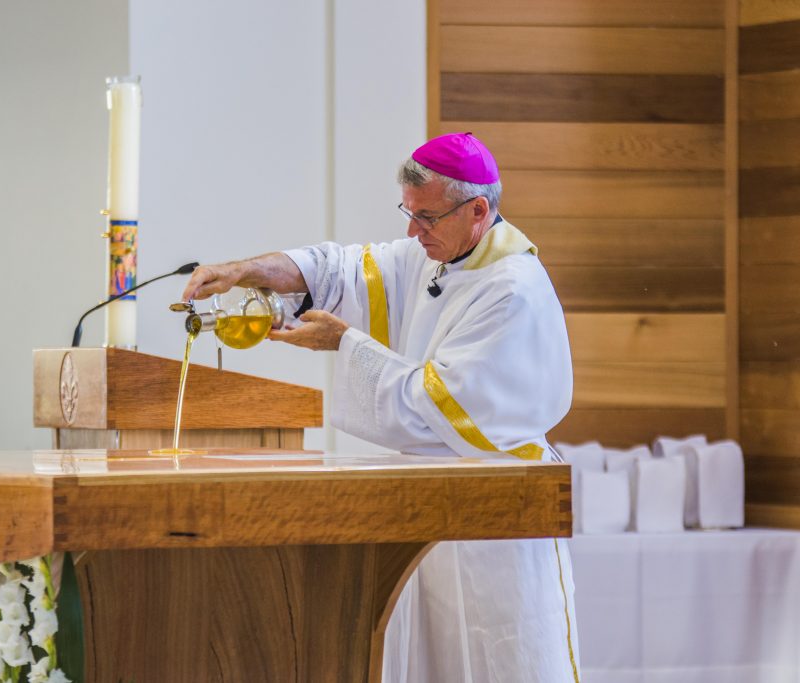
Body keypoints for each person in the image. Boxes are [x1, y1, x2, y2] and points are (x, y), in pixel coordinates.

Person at [181, 132, 580, 682]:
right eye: (409, 214)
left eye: (427, 218)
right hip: (424, 511)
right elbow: (334, 269)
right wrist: (244, 272)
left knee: (495, 662)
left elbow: (440, 407)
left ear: (478, 211)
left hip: (495, 520)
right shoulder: (438, 253)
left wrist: (344, 343)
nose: (412, 233)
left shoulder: (512, 289)